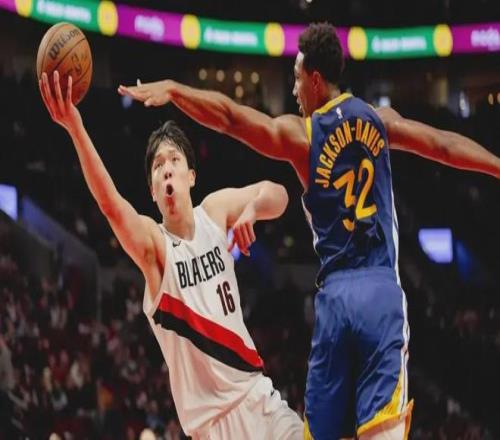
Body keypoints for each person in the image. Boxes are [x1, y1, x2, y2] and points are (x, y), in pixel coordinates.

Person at [118, 22, 500, 439]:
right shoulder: (379, 120)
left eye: (298, 78)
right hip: (379, 291)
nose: (295, 89)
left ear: (316, 80)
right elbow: (444, 145)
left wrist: (176, 90)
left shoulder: (304, 137)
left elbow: (229, 118)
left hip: (335, 299)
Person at [39, 70, 304, 439]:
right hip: (212, 429)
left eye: (174, 160)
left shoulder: (215, 211)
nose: (166, 169)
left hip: (260, 401)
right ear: (152, 191)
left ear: (191, 176)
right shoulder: (155, 247)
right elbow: (111, 206)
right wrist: (76, 129)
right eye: (158, 165)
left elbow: (280, 193)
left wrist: (254, 209)